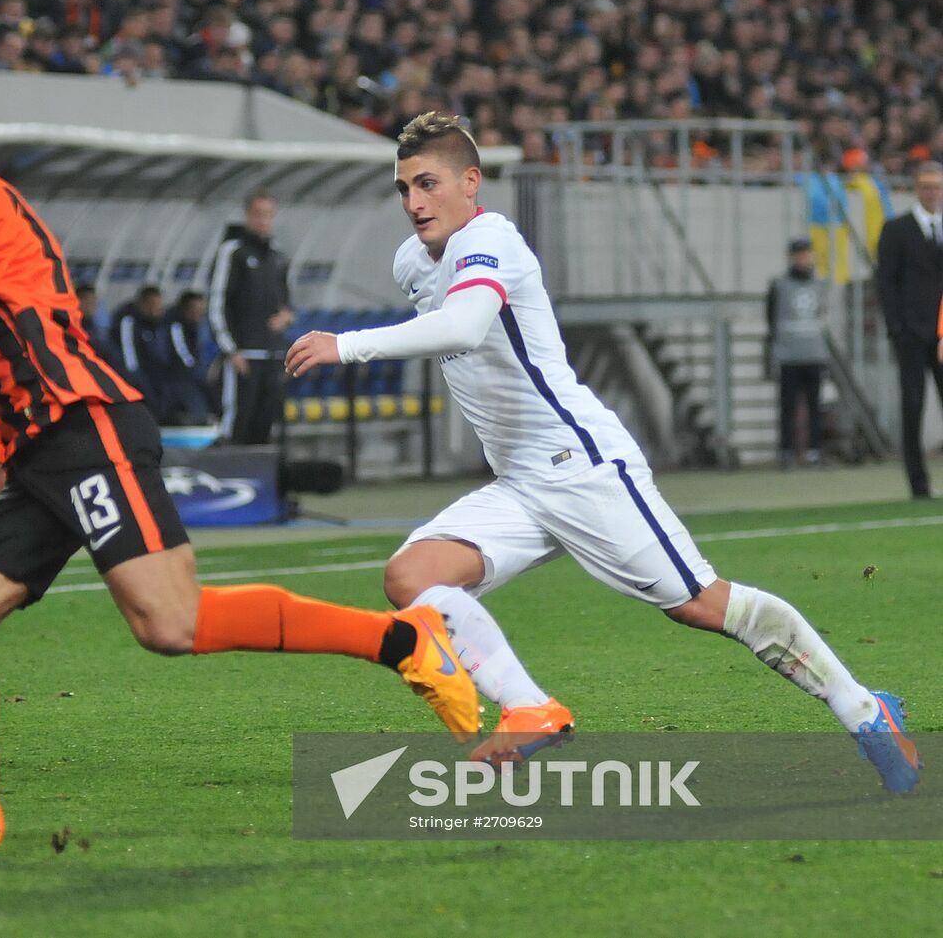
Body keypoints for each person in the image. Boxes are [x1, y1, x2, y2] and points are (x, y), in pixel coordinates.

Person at [0, 90, 477, 860]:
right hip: (44, 443)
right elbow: (32, 326)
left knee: (169, 621)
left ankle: (404, 639)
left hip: (84, 433)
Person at [286, 112, 920, 794]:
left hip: (579, 464)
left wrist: (347, 345)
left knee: (700, 602)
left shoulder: (492, 237)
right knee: (411, 578)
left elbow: (467, 326)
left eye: (428, 183)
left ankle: (862, 706)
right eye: (404, 188)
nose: (413, 202)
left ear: (471, 183)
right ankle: (530, 707)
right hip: (520, 484)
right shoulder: (413, 260)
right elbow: (446, 326)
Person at [876, 161, 943, 499]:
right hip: (912, 335)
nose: (932, 192)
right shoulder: (897, 230)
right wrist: (897, 329)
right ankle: (918, 483)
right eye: (927, 185)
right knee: (913, 406)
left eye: (937, 186)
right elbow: (886, 282)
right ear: (917, 188)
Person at [208, 191, 294, 444]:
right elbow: (217, 303)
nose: (263, 221)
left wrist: (286, 317)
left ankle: (258, 479)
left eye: (268, 215)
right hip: (244, 356)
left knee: (265, 421)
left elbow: (287, 304)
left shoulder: (277, 256)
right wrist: (231, 350)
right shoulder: (232, 252)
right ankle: (229, 473)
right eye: (258, 214)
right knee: (237, 421)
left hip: (272, 355)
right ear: (247, 216)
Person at [766, 238, 831, 467]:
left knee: (815, 406)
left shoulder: (820, 283)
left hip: (814, 354)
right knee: (788, 406)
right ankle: (786, 451)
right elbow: (772, 320)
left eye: (806, 254)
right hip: (789, 356)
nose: (803, 258)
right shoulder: (780, 285)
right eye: (799, 254)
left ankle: (814, 450)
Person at [108, 284, 167, 420]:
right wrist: (135, 376)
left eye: (158, 305)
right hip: (131, 375)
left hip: (148, 373)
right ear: (142, 303)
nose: (155, 309)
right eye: (152, 304)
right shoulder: (127, 320)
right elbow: (128, 353)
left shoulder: (154, 324)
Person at [160, 289, 215, 425]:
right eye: (194, 309)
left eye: (201, 310)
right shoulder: (174, 327)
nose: (198, 314)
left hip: (193, 378)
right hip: (177, 380)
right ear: (184, 309)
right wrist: (201, 372)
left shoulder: (200, 327)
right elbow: (183, 358)